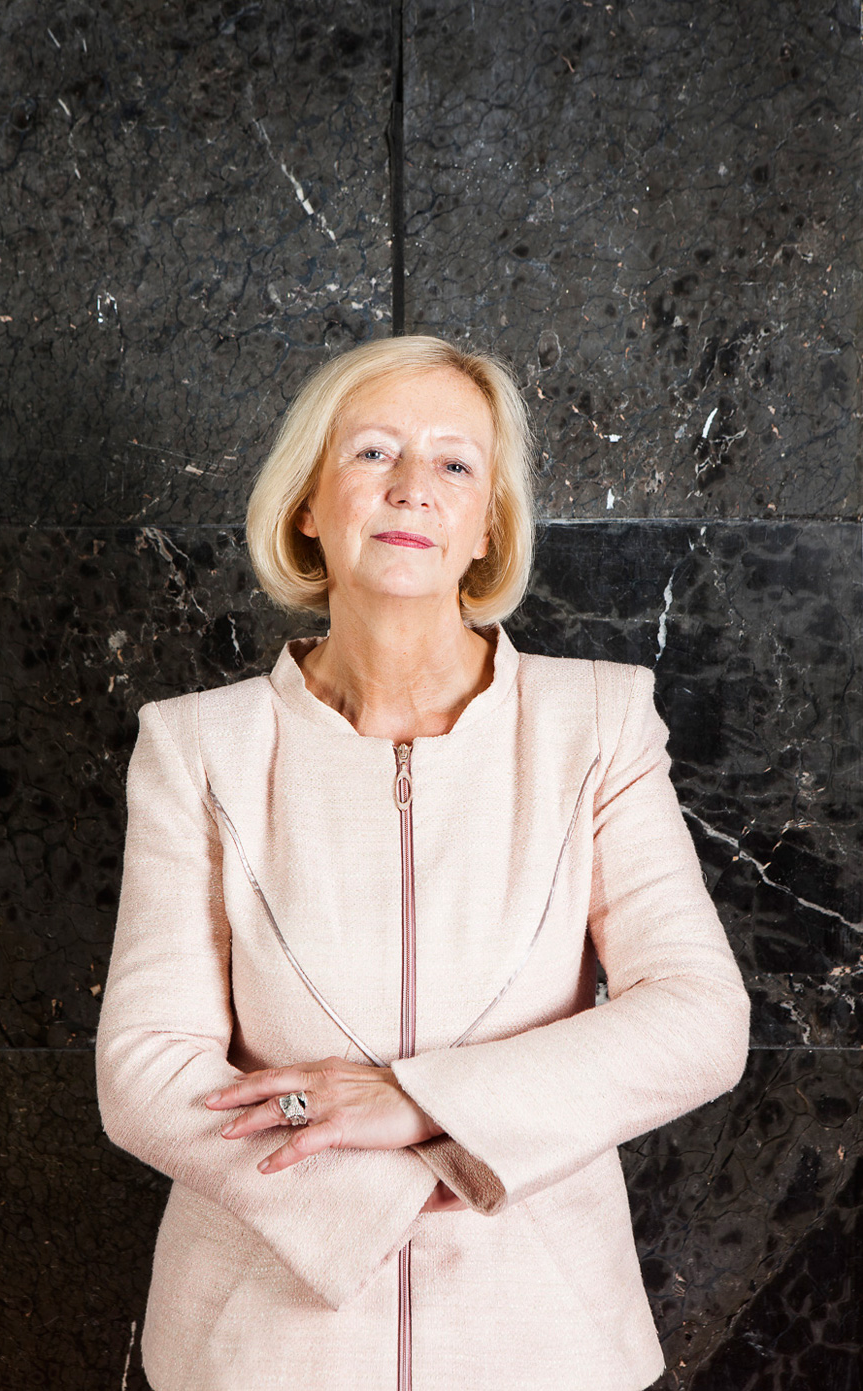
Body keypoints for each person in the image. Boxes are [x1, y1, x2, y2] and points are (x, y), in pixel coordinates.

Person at [96, 335, 750, 1391]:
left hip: (544, 1340)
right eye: (372, 452)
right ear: (308, 503)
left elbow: (698, 1015)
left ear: (488, 522)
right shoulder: (197, 745)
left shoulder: (598, 722)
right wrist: (377, 1198)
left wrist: (419, 1102)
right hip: (262, 1347)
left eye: (454, 461)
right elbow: (145, 1068)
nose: (412, 486)